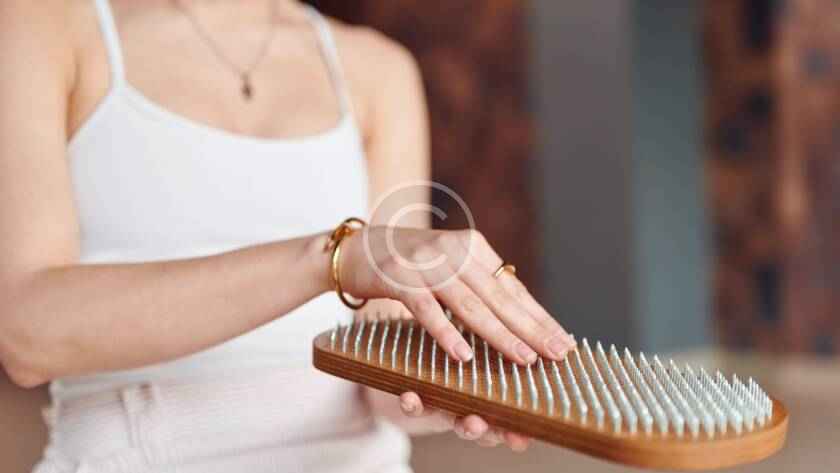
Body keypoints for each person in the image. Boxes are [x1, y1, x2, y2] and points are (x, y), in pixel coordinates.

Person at [0, 1, 575, 471]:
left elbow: (383, 375)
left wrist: (451, 390)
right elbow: (27, 337)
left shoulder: (378, 70)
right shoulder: (45, 24)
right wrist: (330, 258)